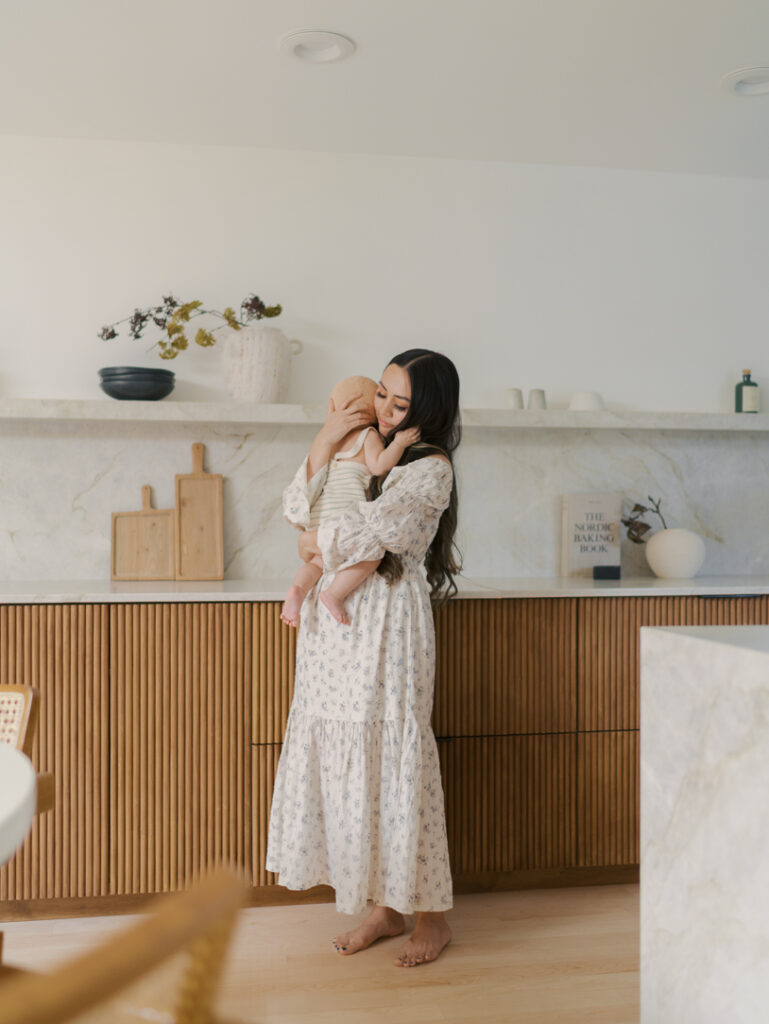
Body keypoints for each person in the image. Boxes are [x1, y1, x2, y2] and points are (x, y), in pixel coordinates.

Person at [267, 348, 462, 968]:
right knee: (352, 757)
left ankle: (432, 917)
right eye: (381, 393)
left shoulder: (430, 470)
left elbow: (368, 532)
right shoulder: (357, 444)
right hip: (334, 626)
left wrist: (314, 542)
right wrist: (325, 439)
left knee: (395, 756)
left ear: (424, 414)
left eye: (398, 403)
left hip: (386, 625)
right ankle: (383, 908)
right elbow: (297, 509)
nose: (382, 409)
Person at [280, 375, 420, 629]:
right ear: (373, 411)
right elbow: (379, 466)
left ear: (332, 407)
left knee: (316, 564)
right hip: (344, 521)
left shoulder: (331, 444)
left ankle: (298, 590)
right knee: (371, 556)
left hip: (320, 521)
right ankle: (334, 594)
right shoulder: (368, 436)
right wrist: (399, 443)